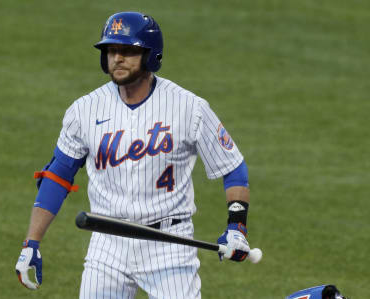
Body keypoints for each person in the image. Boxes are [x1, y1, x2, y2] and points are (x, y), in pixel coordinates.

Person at [15, 11, 252, 298]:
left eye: (128, 51)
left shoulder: (189, 108)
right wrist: (31, 243)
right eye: (112, 50)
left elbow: (232, 166)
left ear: (151, 56)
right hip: (107, 243)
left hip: (170, 244)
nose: (118, 58)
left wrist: (236, 227)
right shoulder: (84, 110)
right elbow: (57, 176)